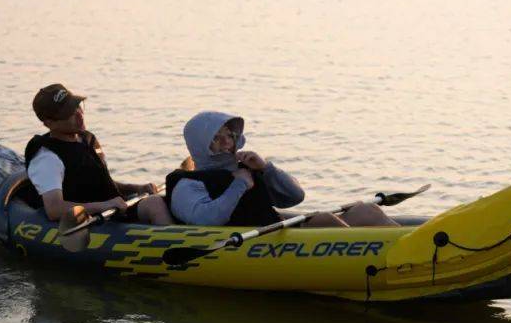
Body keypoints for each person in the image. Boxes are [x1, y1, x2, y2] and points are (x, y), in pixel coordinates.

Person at [164, 111, 398, 227]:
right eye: (217, 138)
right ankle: (377, 260)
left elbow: (295, 197)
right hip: (250, 244)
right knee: (325, 220)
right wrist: (240, 184)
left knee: (366, 211)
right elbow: (208, 220)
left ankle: (415, 249)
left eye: (229, 135)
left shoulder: (248, 166)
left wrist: (266, 169)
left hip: (275, 230)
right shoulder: (188, 184)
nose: (227, 142)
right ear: (202, 145)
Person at [25, 84, 172, 225]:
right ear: (49, 123)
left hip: (113, 210)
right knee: (154, 204)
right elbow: (54, 209)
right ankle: (176, 248)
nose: (79, 114)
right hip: (92, 221)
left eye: (77, 106)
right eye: (68, 113)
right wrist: (104, 206)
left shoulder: (87, 139)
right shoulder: (47, 158)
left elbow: (100, 183)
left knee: (170, 197)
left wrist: (136, 188)